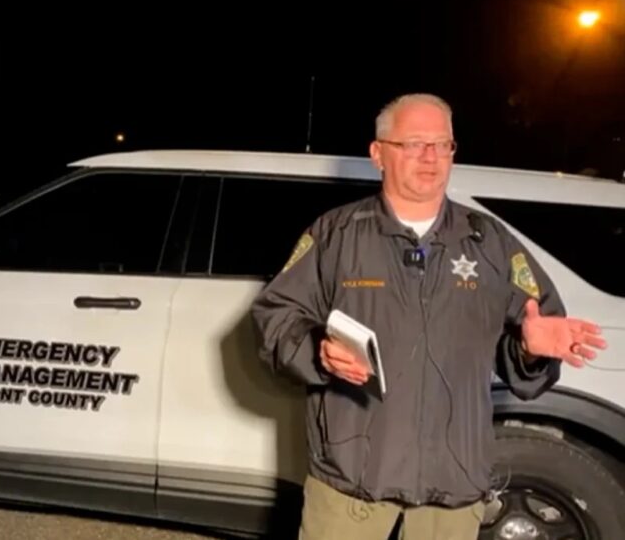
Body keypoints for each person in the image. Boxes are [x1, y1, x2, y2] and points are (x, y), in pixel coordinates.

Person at [250, 93, 607, 540]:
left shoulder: (490, 242)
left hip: (453, 486)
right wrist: (318, 352)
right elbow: (276, 316)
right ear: (378, 154)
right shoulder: (335, 234)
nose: (432, 157)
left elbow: (534, 336)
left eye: (443, 144)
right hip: (353, 479)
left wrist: (529, 350)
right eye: (415, 143)